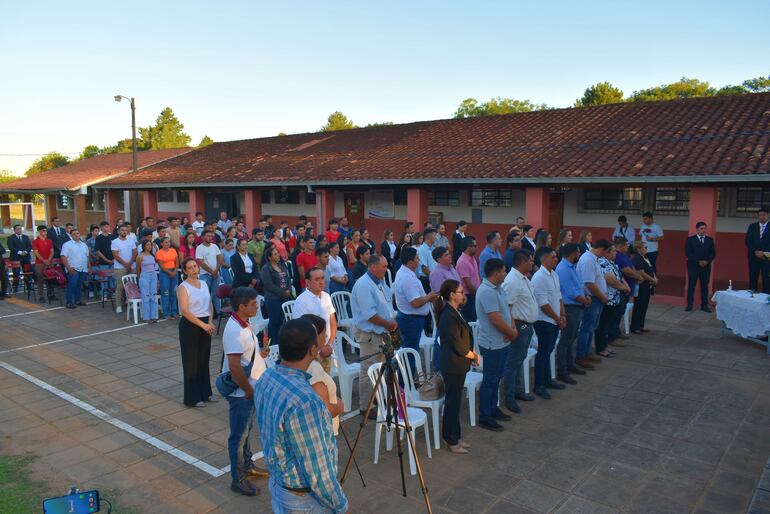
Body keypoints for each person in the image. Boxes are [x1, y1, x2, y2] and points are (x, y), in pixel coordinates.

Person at [254, 318, 349, 513]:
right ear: (313, 350)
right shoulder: (306, 401)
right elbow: (318, 472)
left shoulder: (266, 378)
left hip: (280, 485)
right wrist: (342, 506)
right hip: (302, 499)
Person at [222, 286, 269, 496]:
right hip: (242, 394)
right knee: (239, 436)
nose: (256, 306)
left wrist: (261, 354)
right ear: (242, 307)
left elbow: (245, 357)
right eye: (253, 304)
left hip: (250, 390)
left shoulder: (244, 324)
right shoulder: (234, 329)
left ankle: (248, 465)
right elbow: (234, 367)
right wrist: (248, 390)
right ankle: (238, 478)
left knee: (247, 432)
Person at [351, 254, 396, 415]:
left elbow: (386, 304)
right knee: (368, 369)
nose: (386, 269)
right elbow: (370, 314)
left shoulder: (379, 281)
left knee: (380, 368)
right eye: (383, 266)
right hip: (370, 333)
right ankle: (366, 406)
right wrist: (388, 324)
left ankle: (375, 397)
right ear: (373, 267)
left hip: (382, 332)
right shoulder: (364, 284)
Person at [475, 258, 517, 432]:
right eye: (504, 271)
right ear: (496, 273)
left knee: (497, 377)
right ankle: (485, 415)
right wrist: (510, 332)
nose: (505, 273)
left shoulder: (498, 289)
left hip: (502, 340)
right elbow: (494, 318)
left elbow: (507, 310)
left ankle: (493, 408)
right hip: (492, 343)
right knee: (490, 379)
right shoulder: (486, 291)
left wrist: (511, 328)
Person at [437, 279, 478, 454]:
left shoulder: (455, 311)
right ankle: (451, 439)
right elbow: (459, 346)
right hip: (453, 365)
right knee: (452, 403)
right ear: (452, 295)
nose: (463, 294)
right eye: (460, 292)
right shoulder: (448, 315)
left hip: (459, 365)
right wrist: (474, 355)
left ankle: (457, 436)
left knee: (456, 403)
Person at [501, 249, 538, 412]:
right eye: (530, 261)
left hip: (526, 326)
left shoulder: (523, 278)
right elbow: (506, 307)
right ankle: (510, 397)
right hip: (518, 326)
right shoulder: (513, 280)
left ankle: (518, 391)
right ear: (522, 262)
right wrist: (511, 329)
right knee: (512, 362)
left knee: (519, 360)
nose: (532, 263)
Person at [177, 258, 216, 407]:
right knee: (191, 362)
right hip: (190, 326)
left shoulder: (204, 284)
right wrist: (203, 325)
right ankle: (192, 398)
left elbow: (210, 305)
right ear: (185, 271)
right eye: (190, 268)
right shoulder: (183, 287)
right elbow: (185, 312)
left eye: (195, 266)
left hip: (206, 324)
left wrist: (210, 322)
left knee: (203, 361)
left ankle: (206, 393)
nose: (194, 270)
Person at [531, 247, 567, 399]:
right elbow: (543, 304)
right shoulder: (539, 277)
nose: (556, 259)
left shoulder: (554, 274)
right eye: (553, 257)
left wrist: (563, 314)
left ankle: (547, 380)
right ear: (544, 259)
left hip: (554, 319)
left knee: (549, 351)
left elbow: (558, 297)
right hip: (544, 321)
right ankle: (539, 385)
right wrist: (557, 318)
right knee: (543, 353)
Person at [394, 248, 439, 365]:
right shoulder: (407, 278)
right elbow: (415, 302)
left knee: (409, 351)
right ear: (410, 262)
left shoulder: (405, 273)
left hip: (410, 318)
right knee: (410, 354)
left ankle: (404, 380)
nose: (419, 261)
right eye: (417, 258)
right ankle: (405, 382)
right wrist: (429, 297)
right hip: (411, 319)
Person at [302, 313, 344, 436]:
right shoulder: (312, 367)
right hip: (321, 432)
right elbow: (325, 410)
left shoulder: (308, 361)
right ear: (314, 337)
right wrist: (339, 405)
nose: (326, 335)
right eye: (323, 332)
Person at [555, 243, 590, 383]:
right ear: (572, 254)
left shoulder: (572, 267)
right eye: (578, 253)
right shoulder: (563, 269)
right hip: (570, 307)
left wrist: (586, 297)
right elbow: (571, 292)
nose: (579, 255)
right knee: (566, 340)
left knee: (571, 338)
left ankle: (570, 365)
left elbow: (579, 285)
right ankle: (562, 371)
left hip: (577, 306)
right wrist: (584, 300)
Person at [575, 239, 610, 369]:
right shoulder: (588, 260)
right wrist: (603, 297)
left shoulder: (593, 259)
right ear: (600, 249)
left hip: (598, 298)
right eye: (605, 252)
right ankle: (581, 356)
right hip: (594, 298)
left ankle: (588, 352)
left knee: (592, 327)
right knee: (587, 328)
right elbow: (589, 283)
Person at [293, 268, 337, 369]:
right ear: (308, 282)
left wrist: (329, 345)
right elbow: (301, 331)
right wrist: (320, 349)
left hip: (327, 348)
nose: (321, 282)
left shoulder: (326, 296)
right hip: (311, 353)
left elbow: (333, 322)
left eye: (322, 278)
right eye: (317, 279)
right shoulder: (301, 301)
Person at [595, 245, 630, 357]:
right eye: (614, 251)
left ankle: (604, 345)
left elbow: (618, 276)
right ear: (607, 253)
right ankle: (600, 347)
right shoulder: (602, 262)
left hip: (614, 298)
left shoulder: (611, 262)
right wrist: (623, 287)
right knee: (602, 325)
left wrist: (625, 285)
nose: (616, 253)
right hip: (608, 299)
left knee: (607, 323)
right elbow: (610, 279)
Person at [260, 246, 293, 343]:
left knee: (283, 321)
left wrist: (289, 290)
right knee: (274, 321)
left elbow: (288, 279)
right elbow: (268, 284)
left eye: (277, 253)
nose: (278, 255)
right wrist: (282, 292)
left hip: (285, 297)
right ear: (269, 257)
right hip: (273, 299)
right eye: (275, 254)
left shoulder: (282, 266)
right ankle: (273, 343)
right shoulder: (266, 268)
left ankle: (282, 342)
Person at [685, 222, 716, 312]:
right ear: (697, 229)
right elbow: (688, 253)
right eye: (702, 228)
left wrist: (707, 261)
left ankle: (704, 305)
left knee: (705, 286)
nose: (704, 230)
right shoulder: (690, 240)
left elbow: (713, 253)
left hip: (706, 267)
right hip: (693, 266)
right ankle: (689, 304)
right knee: (691, 285)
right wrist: (698, 261)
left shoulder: (709, 240)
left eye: (705, 228)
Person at [630, 241, 657, 334]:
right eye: (645, 247)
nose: (646, 249)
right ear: (638, 249)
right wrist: (652, 280)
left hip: (647, 285)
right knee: (639, 306)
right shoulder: (637, 258)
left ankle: (641, 325)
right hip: (642, 286)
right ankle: (635, 326)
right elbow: (641, 272)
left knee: (644, 306)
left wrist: (654, 277)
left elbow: (650, 268)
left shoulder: (645, 257)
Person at [60, 229, 90, 309]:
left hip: (83, 269)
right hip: (73, 269)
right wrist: (68, 268)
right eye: (74, 234)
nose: (76, 235)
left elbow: (87, 256)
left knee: (79, 286)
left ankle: (78, 300)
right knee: (72, 285)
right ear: (71, 235)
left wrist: (89, 267)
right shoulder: (67, 245)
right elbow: (63, 257)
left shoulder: (84, 245)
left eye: (78, 233)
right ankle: (69, 302)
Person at [196, 230, 224, 315]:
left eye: (211, 236)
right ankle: (206, 312)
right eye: (208, 236)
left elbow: (220, 258)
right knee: (205, 295)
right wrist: (212, 272)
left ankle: (218, 312)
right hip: (205, 275)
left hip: (216, 274)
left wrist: (217, 270)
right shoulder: (199, 248)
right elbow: (201, 262)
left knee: (216, 294)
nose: (210, 237)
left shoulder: (215, 246)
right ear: (203, 237)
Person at [111, 224, 137, 314]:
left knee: (132, 286)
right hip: (120, 268)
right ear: (118, 231)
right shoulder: (115, 242)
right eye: (122, 230)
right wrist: (126, 264)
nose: (124, 232)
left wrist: (130, 263)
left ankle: (131, 303)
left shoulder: (131, 241)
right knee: (120, 286)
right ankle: (118, 305)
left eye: (126, 230)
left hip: (132, 266)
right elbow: (115, 255)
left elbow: (135, 252)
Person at [745, 207, 770, 294]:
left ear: (768, 216)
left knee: (767, 279)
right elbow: (748, 241)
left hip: (766, 257)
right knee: (753, 278)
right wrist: (756, 251)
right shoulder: (752, 226)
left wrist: (763, 253)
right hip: (753, 256)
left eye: (764, 215)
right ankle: (752, 298)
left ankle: (766, 299)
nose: (761, 217)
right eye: (760, 215)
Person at [456, 237, 480, 322]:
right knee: (469, 322)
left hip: (474, 295)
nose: (477, 248)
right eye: (475, 246)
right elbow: (468, 284)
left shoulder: (473, 258)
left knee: (474, 320)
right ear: (468, 247)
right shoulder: (462, 262)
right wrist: (478, 294)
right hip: (468, 297)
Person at [136, 240, 160, 323]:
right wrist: (141, 278)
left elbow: (155, 265)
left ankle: (153, 316)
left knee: (153, 295)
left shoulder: (152, 256)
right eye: (147, 245)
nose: (149, 247)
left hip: (153, 275)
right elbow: (138, 269)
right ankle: (146, 317)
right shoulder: (140, 256)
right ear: (144, 246)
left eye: (151, 245)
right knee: (145, 296)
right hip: (144, 276)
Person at [156, 237, 180, 319]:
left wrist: (175, 271)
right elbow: (161, 265)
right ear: (162, 243)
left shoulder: (173, 250)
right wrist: (170, 272)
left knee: (173, 293)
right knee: (165, 293)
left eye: (168, 242)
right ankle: (166, 313)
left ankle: (174, 312)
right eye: (165, 242)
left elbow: (177, 261)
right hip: (165, 273)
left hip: (174, 271)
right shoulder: (159, 252)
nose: (167, 244)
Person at [32, 226, 54, 302]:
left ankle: (50, 294)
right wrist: (44, 260)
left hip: (49, 262)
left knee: (50, 279)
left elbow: (52, 251)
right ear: (39, 232)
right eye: (43, 231)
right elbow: (36, 253)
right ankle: (41, 296)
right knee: (40, 279)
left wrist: (49, 259)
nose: (45, 232)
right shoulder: (35, 241)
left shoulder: (49, 241)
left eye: (46, 231)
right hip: (39, 263)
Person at [94, 221, 116, 299]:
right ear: (102, 228)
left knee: (113, 278)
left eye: (108, 226)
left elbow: (115, 249)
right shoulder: (99, 238)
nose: (107, 228)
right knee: (104, 278)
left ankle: (113, 292)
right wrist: (106, 260)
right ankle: (104, 294)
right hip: (103, 262)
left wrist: (113, 259)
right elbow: (97, 251)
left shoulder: (112, 237)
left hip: (113, 261)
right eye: (105, 226)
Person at [7, 224, 32, 293]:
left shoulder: (25, 237)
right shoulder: (11, 238)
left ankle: (29, 286)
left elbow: (29, 246)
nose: (19, 230)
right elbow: (11, 247)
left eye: (20, 229)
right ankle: (15, 287)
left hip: (26, 258)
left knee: (27, 272)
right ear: (14, 230)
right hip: (16, 258)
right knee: (16, 273)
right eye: (18, 229)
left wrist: (26, 251)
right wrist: (19, 252)